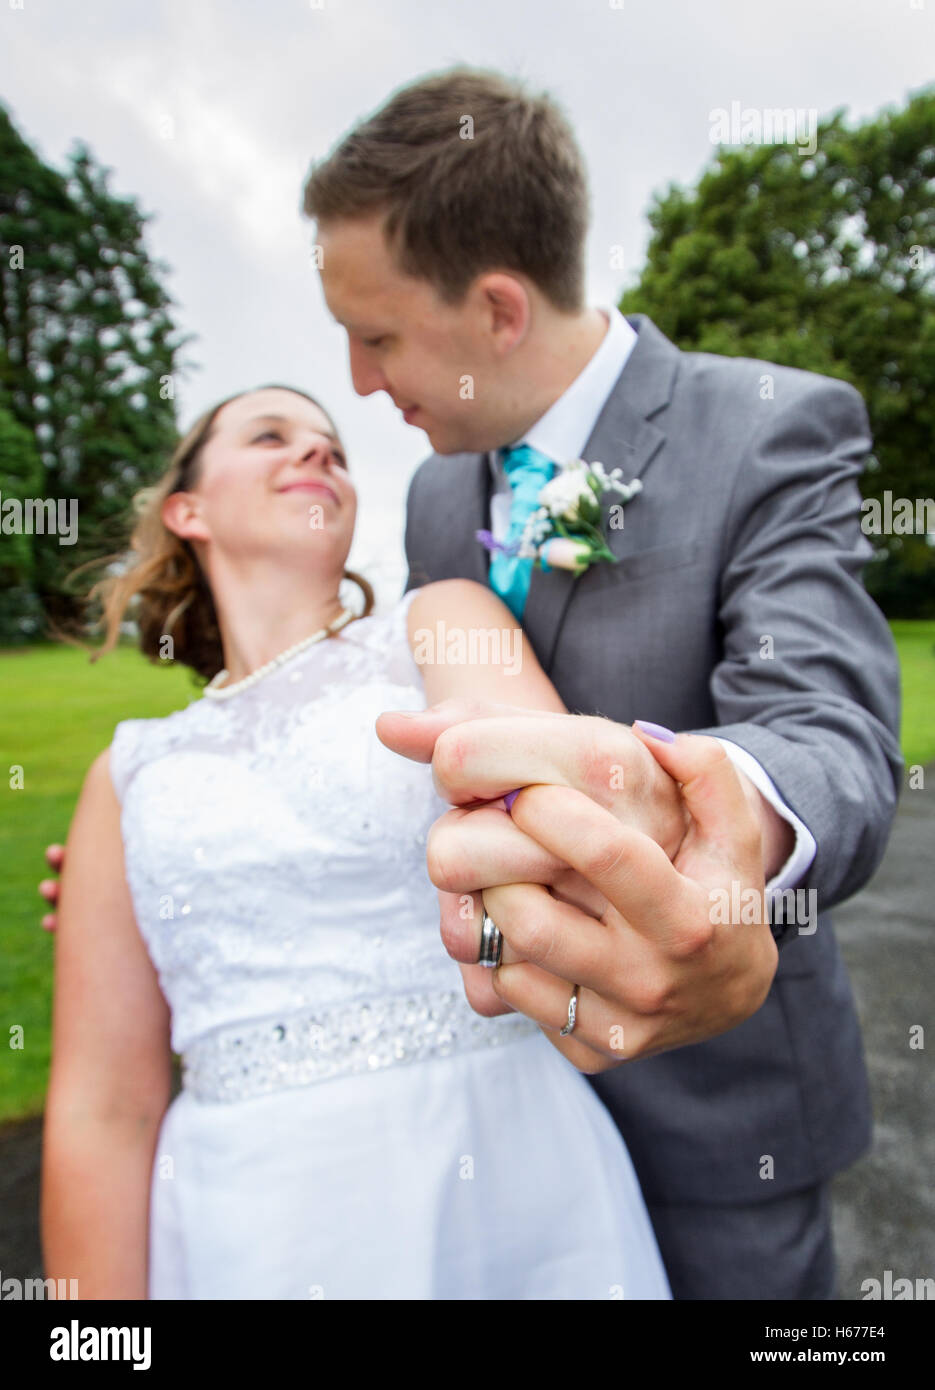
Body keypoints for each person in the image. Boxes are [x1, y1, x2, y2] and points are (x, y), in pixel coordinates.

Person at [301, 67, 904, 1299]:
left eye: (376, 335)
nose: (359, 382)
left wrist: (721, 821)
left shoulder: (767, 426)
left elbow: (831, 733)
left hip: (716, 1106)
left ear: (499, 310)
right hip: (484, 1119)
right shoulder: (433, 492)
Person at [40, 383, 674, 1299]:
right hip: (251, 1219)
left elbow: (568, 836)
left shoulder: (437, 625)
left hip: (497, 1161)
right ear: (187, 510)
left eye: (332, 448)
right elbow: (104, 1107)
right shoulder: (128, 773)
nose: (317, 456)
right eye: (272, 437)